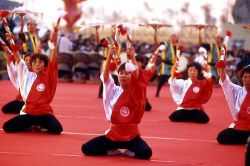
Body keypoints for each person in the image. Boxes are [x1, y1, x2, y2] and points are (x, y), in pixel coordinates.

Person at [81, 46, 152, 159]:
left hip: (131, 137)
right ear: (117, 75)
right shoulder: (113, 89)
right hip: (113, 136)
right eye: (121, 73)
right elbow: (105, 76)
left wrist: (132, 57)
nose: (124, 75)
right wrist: (109, 56)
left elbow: (138, 78)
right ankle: (112, 151)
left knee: (146, 153)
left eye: (127, 73)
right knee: (86, 148)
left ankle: (130, 150)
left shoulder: (135, 91)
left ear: (131, 76)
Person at [2, 21, 63, 134]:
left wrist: (53, 46)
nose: (37, 64)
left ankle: (37, 125)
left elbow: (53, 61)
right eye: (34, 62)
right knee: (7, 127)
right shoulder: (27, 75)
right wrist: (10, 42)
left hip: (44, 113)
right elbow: (19, 60)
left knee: (57, 129)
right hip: (29, 113)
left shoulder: (48, 76)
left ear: (45, 65)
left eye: (40, 62)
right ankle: (31, 124)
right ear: (31, 65)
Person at [216, 64, 250, 144]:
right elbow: (225, 81)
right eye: (245, 77)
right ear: (241, 78)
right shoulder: (237, 91)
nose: (248, 80)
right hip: (241, 127)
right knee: (222, 137)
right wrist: (223, 66)